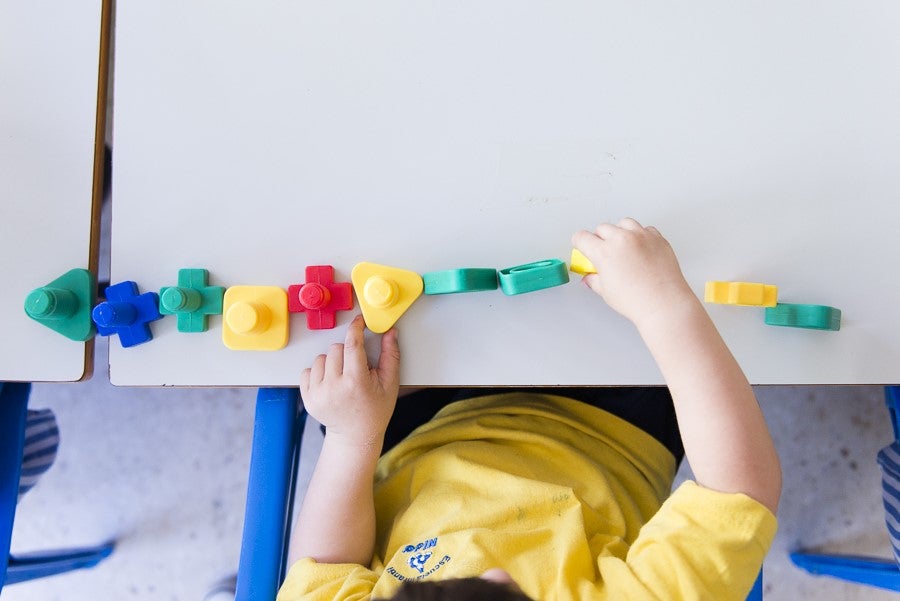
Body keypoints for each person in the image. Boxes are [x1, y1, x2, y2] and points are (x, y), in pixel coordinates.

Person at [278, 218, 782, 601]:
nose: (495, 563)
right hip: (616, 430)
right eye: (510, 588)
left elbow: (325, 566)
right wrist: (663, 304)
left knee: (370, 325)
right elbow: (740, 487)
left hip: (406, 434)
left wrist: (351, 438)